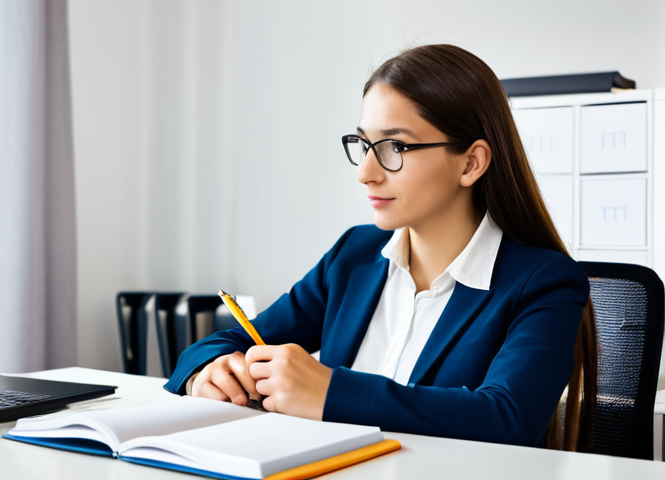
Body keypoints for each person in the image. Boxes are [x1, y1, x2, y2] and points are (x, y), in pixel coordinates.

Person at [164, 44, 596, 450]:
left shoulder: (545, 282)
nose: (366, 172)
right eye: (364, 145)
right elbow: (229, 340)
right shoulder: (354, 255)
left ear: (471, 163)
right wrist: (211, 372)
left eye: (395, 147)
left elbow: (508, 418)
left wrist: (330, 393)